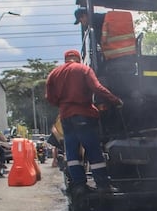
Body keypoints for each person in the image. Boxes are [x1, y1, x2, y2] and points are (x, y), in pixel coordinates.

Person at [45, 49, 123, 194]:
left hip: (66, 117)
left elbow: (49, 97)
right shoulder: (83, 69)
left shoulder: (54, 74)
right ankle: (103, 185)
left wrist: (63, 105)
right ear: (78, 58)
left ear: (66, 59)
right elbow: (97, 87)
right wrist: (115, 100)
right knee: (93, 150)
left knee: (72, 152)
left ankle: (80, 185)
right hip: (84, 115)